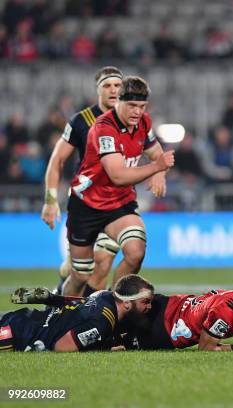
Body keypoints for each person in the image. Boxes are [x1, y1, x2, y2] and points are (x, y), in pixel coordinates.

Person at [41, 67, 159, 297]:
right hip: (88, 202)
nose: (113, 89)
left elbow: (152, 151)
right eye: (107, 85)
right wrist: (50, 199)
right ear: (98, 90)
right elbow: (57, 160)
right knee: (85, 271)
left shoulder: (137, 120)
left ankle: (100, 313)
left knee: (104, 263)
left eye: (117, 85)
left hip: (117, 204)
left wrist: (159, 171)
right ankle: (70, 303)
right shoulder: (81, 121)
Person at [1, 275, 154, 352]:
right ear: (127, 303)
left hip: (25, 318)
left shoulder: (103, 296)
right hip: (17, 334)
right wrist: (106, 348)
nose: (150, 307)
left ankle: (51, 297)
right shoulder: (102, 323)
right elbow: (61, 347)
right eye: (145, 302)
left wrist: (53, 299)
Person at [121, 289, 233, 351]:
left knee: (118, 314)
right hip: (163, 330)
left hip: (169, 302)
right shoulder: (225, 313)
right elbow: (206, 347)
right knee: (113, 340)